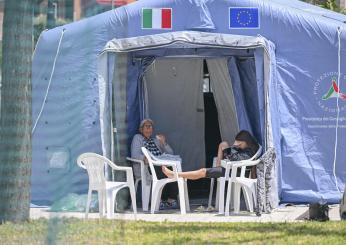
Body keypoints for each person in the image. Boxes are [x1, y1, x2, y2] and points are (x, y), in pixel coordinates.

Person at [162, 130, 259, 180]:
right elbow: (235, 158)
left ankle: (174, 175)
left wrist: (231, 147)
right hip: (232, 170)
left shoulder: (248, 152)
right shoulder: (248, 149)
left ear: (245, 141)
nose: (238, 145)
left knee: (202, 171)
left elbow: (234, 159)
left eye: (240, 143)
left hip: (234, 172)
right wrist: (233, 147)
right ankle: (217, 166)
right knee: (223, 143)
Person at [131, 118, 178, 209]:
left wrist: (164, 143)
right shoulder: (137, 138)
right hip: (146, 167)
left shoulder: (156, 140)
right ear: (141, 129)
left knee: (173, 170)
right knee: (162, 170)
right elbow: (134, 155)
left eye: (151, 127)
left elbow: (171, 153)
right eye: (147, 126)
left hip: (159, 164)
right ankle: (158, 199)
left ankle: (171, 200)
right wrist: (145, 159)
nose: (149, 128)